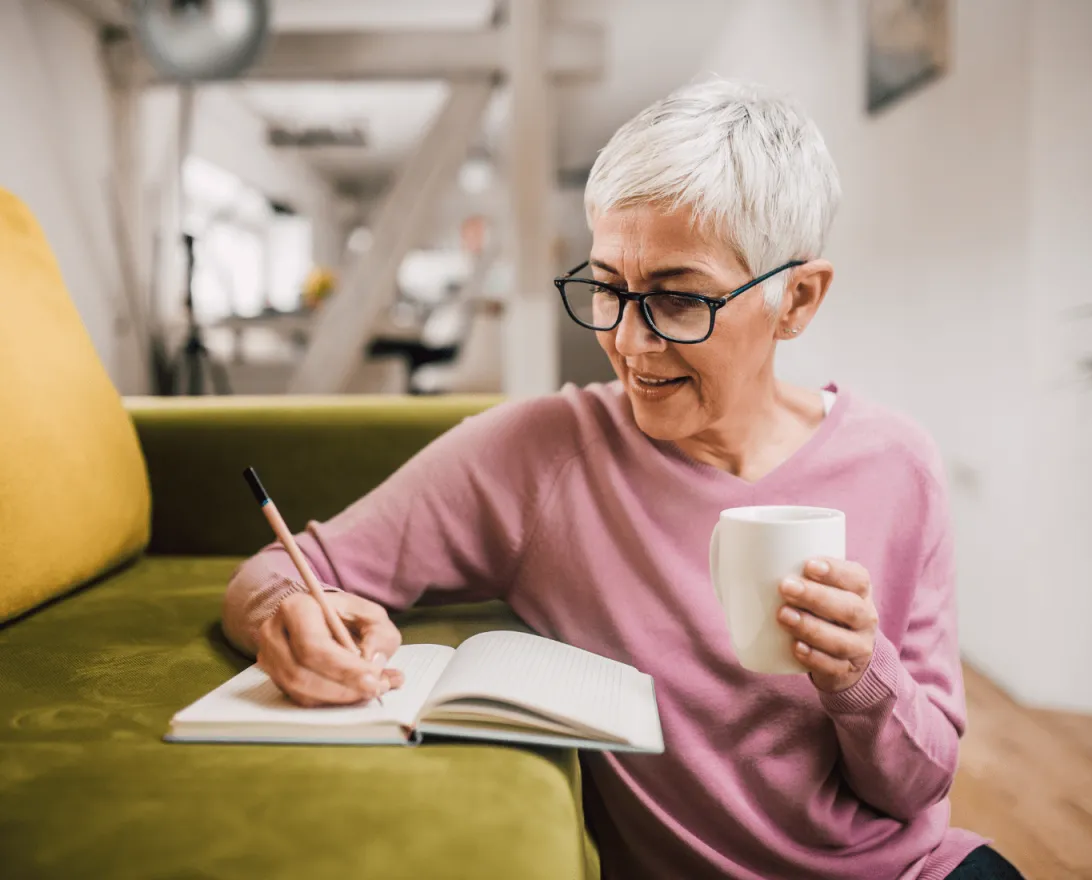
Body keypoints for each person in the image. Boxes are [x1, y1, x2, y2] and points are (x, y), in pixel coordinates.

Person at [222, 78, 1024, 880]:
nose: (630, 341)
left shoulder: (898, 465)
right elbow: (281, 570)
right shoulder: (538, 455)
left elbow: (918, 783)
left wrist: (860, 676)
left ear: (798, 299)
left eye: (678, 300)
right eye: (607, 287)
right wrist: (286, 618)